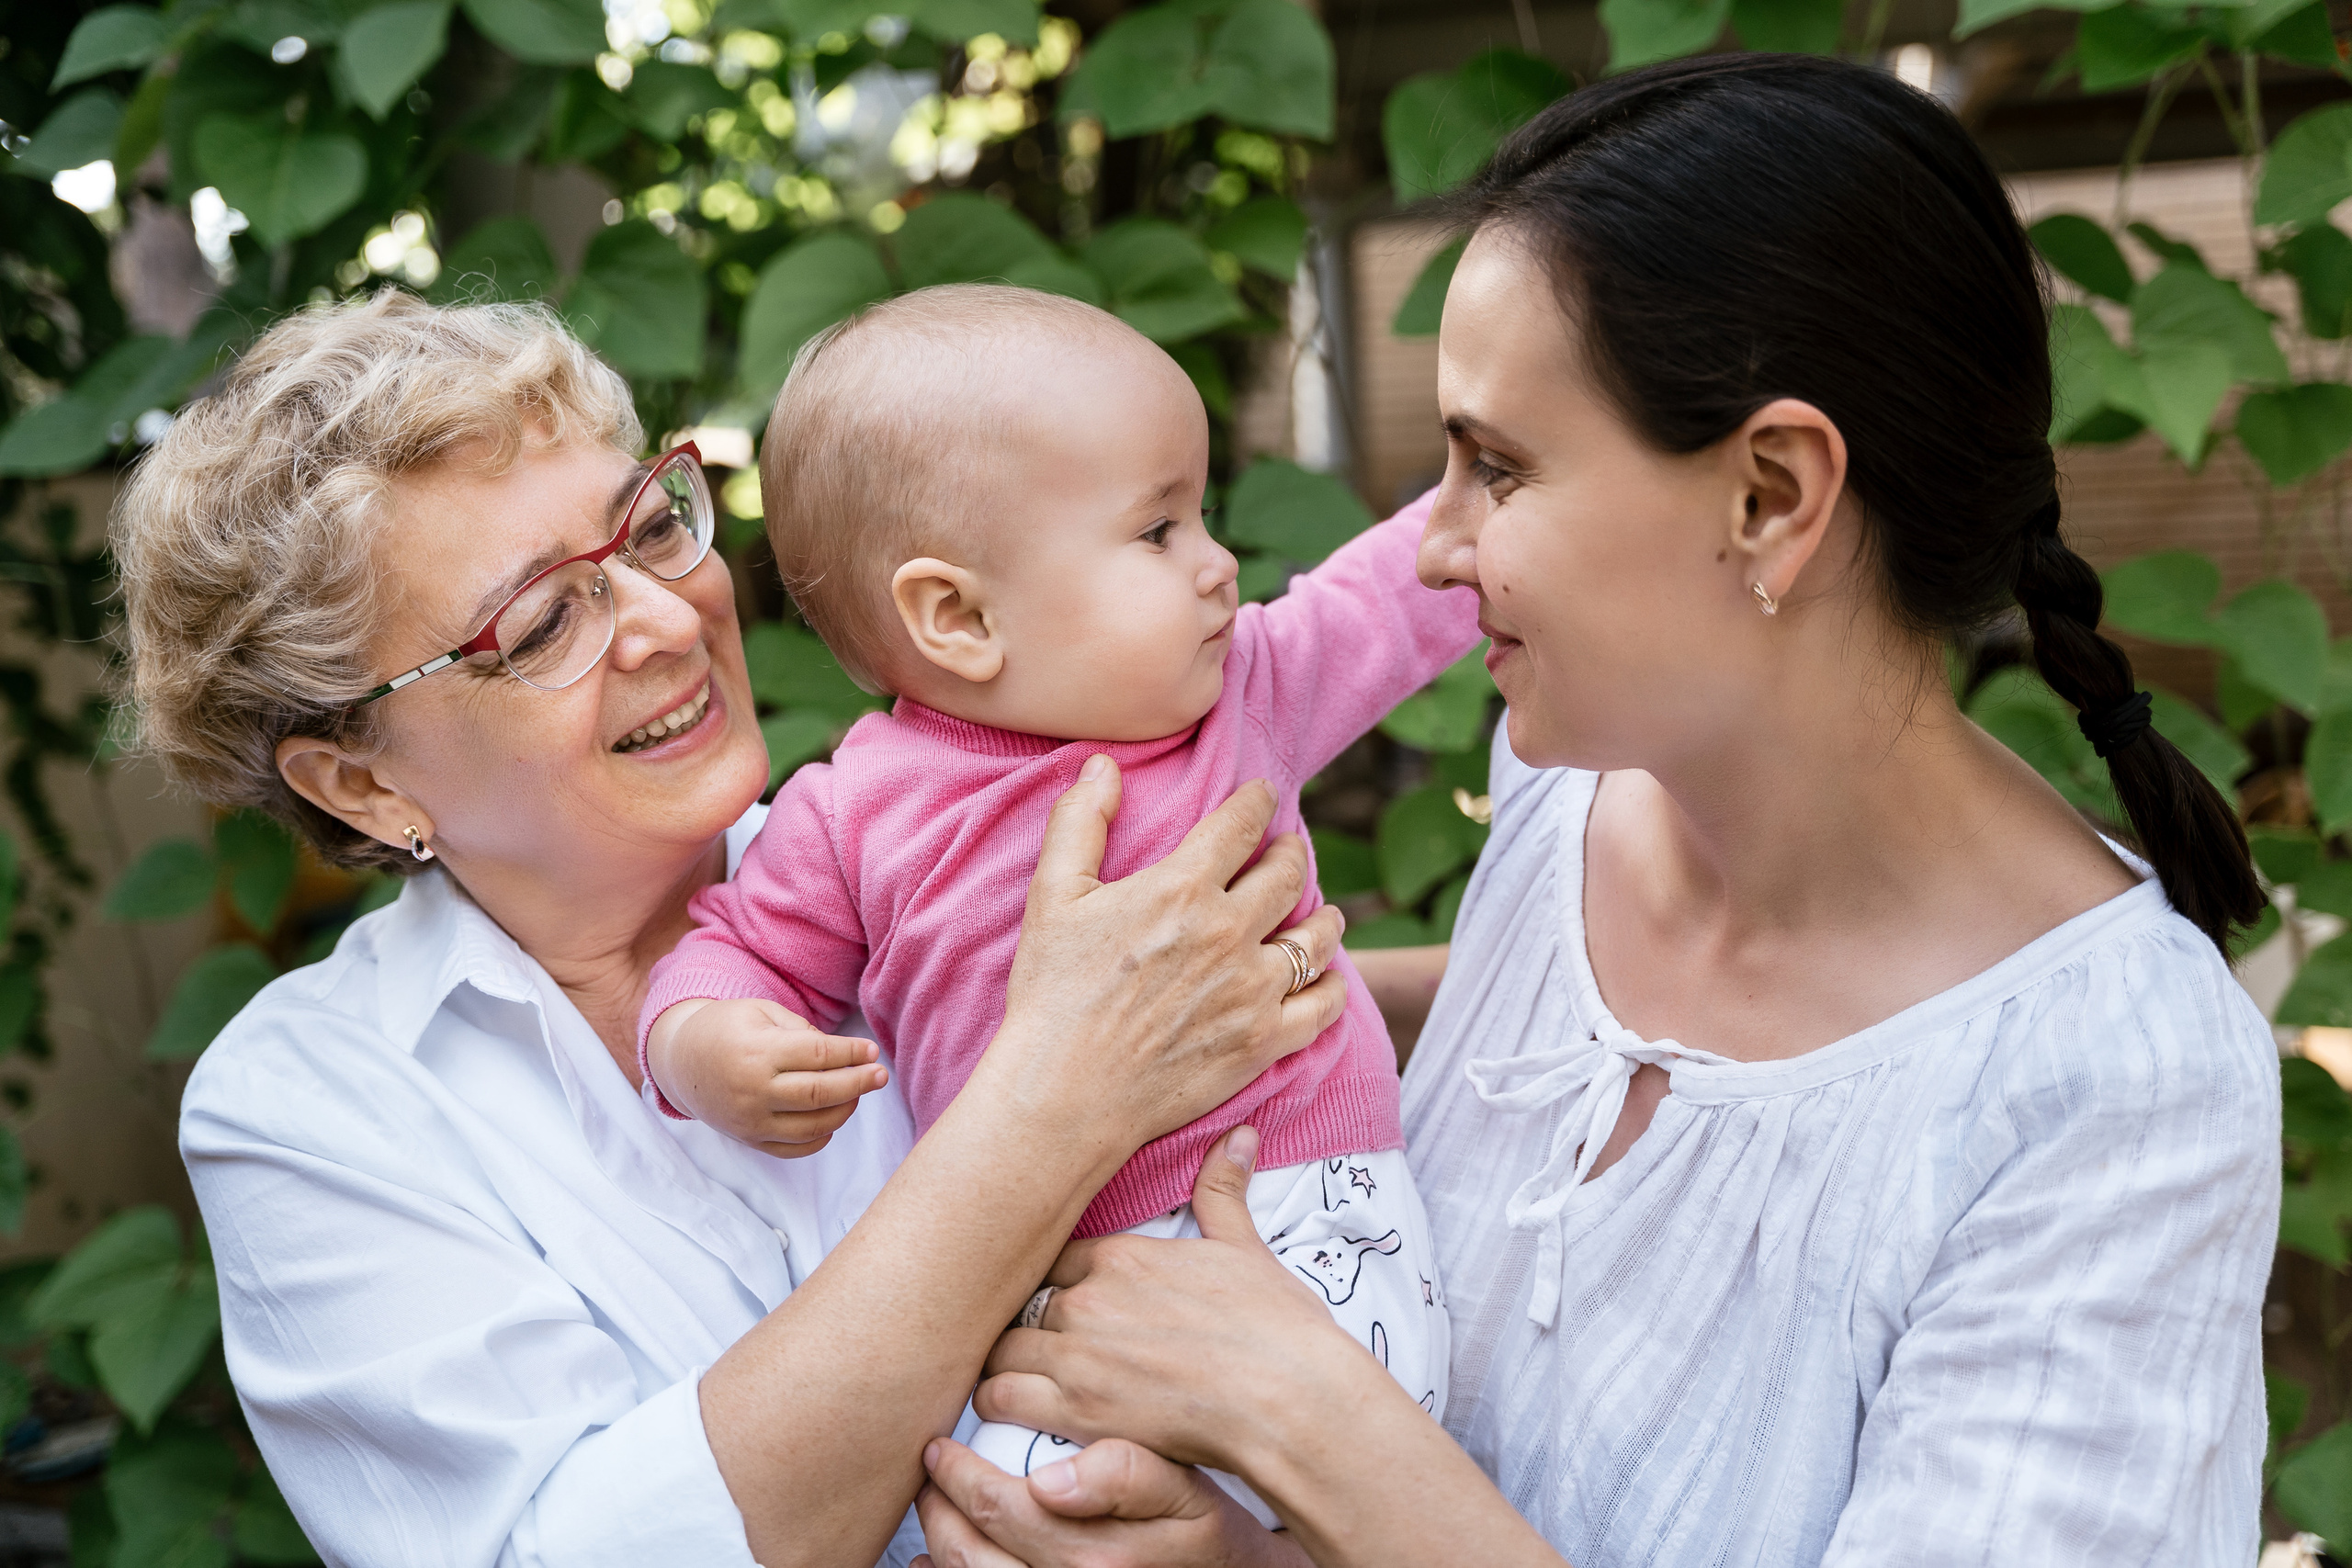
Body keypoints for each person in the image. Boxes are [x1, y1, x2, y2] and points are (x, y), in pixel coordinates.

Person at [909, 53, 2280, 1568]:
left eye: (1496, 467)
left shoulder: (2115, 1089)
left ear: (1770, 494)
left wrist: (1309, 1423)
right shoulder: (1570, 783)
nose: (1430, 550)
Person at [120, 288, 1353, 1568]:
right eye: (542, 621)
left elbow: (1281, 1050)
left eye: (652, 530)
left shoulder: (953, 858)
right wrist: (1051, 1105)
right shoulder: (314, 1103)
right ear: (366, 784)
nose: (667, 621)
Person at [636, 285, 1479, 1512]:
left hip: (1312, 1214)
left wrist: (1496, 493)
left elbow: (1385, 603)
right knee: (1032, 1514)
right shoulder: (857, 810)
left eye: (1200, 520)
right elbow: (738, 953)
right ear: (960, 616)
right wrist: (712, 1047)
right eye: (1159, 534)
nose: (1218, 566)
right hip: (1054, 1277)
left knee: (1307, 1490)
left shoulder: (1240, 699)